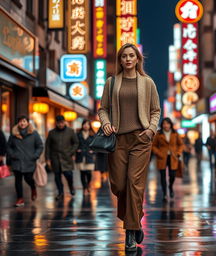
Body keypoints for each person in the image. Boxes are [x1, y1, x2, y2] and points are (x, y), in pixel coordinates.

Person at [98, 43, 160, 251]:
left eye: (131, 55)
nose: (127, 59)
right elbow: (103, 109)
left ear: (137, 59)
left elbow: (156, 110)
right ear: (120, 60)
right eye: (124, 56)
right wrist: (106, 123)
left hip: (140, 140)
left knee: (134, 183)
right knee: (119, 186)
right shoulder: (111, 82)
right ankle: (136, 216)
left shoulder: (147, 82)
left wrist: (151, 129)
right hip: (117, 140)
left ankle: (130, 232)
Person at [6, 116, 43, 207]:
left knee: (28, 178)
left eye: (24, 121)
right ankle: (20, 199)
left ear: (27, 122)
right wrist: (12, 155)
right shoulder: (13, 134)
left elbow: (40, 146)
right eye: (20, 121)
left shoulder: (34, 134)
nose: (22, 123)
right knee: (18, 180)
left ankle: (33, 187)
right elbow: (9, 147)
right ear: (18, 123)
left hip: (29, 161)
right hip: (17, 161)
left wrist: (35, 156)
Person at [45, 115, 79, 200]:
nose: (60, 124)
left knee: (69, 175)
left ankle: (71, 187)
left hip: (66, 158)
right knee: (57, 177)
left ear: (65, 122)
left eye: (62, 122)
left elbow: (76, 143)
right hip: (55, 158)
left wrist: (71, 152)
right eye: (58, 123)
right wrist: (47, 158)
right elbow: (48, 146)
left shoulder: (70, 131)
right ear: (56, 123)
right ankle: (60, 193)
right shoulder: (51, 132)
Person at [152, 118, 183, 201]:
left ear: (170, 124)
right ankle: (165, 194)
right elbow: (153, 145)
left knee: (172, 175)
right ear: (162, 125)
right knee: (162, 176)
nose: (166, 125)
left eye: (168, 123)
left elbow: (180, 144)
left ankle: (170, 187)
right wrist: (158, 153)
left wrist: (178, 153)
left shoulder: (175, 133)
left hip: (173, 157)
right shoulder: (158, 134)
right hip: (162, 158)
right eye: (164, 124)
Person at [76, 119, 95, 195]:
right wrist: (77, 149)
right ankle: (84, 188)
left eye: (87, 124)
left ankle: (88, 185)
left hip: (89, 156)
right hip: (80, 156)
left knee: (88, 172)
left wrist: (93, 151)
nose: (86, 125)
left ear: (90, 125)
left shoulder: (93, 134)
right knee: (82, 173)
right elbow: (74, 143)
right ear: (82, 125)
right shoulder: (78, 134)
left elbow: (96, 145)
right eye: (84, 124)